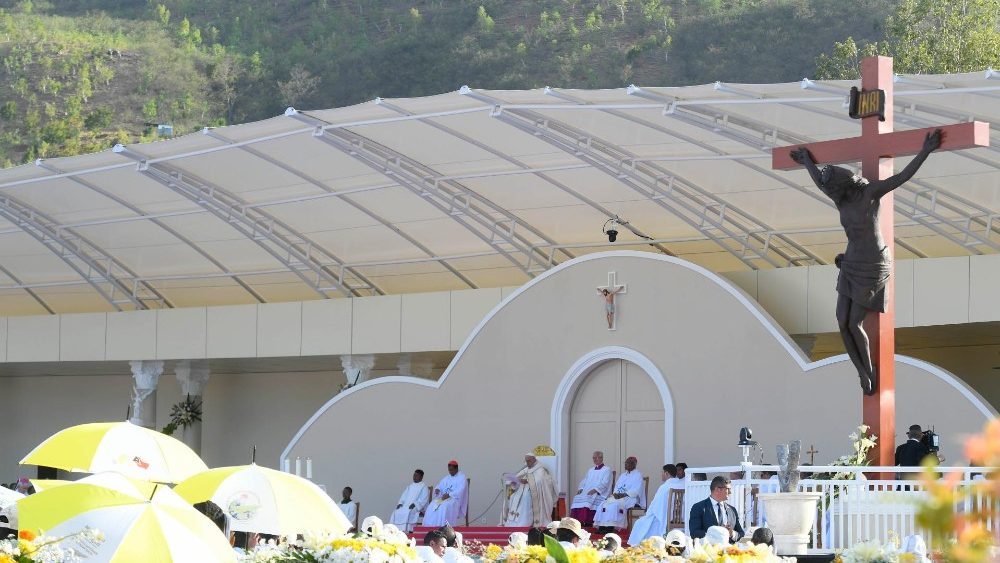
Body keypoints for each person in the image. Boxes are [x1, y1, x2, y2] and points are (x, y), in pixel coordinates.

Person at [790, 129, 943, 396]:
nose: (829, 190)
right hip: (851, 261)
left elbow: (901, 177)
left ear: (844, 184)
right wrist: (807, 162)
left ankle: (868, 371)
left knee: (854, 322)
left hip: (872, 263)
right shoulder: (841, 199)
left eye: (832, 186)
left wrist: (925, 151)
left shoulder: (870, 193)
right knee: (841, 321)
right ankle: (861, 370)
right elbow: (820, 183)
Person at [628, 464, 682, 544]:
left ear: (666, 473)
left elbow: (655, 506)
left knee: (639, 523)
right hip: (678, 518)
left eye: (662, 472)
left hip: (664, 518)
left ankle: (640, 545)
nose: (661, 474)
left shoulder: (664, 487)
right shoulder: (681, 485)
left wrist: (647, 514)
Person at [593, 456, 645, 532]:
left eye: (628, 463)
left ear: (633, 464)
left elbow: (636, 490)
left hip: (630, 497)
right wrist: (615, 494)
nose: (625, 464)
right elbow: (616, 487)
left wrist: (623, 495)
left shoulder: (638, 475)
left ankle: (610, 528)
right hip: (618, 497)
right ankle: (602, 527)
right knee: (603, 504)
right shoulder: (623, 475)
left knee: (614, 506)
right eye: (625, 463)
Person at [504, 453, 557, 527]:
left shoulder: (541, 469)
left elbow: (541, 481)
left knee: (526, 497)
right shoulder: (526, 470)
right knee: (513, 497)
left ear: (534, 459)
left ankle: (524, 521)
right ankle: (513, 522)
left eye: (529, 461)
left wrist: (527, 481)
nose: (527, 463)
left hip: (536, 491)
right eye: (526, 461)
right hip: (523, 489)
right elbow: (518, 479)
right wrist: (515, 481)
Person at [688, 476, 743, 542]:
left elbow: (741, 534)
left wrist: (732, 534)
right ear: (717, 489)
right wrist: (716, 535)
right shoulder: (699, 507)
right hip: (708, 547)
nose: (730, 492)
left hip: (730, 548)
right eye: (728, 489)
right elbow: (694, 532)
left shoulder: (732, 510)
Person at [569, 450, 613, 526]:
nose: (595, 459)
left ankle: (588, 521)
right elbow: (584, 480)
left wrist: (595, 490)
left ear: (601, 458)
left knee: (588, 499)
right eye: (593, 458)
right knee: (577, 498)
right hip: (588, 491)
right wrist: (581, 489)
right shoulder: (591, 470)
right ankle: (577, 522)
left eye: (596, 458)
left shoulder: (607, 470)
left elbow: (605, 483)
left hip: (599, 493)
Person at [423, 461, 468, 526]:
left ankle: (443, 526)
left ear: (456, 469)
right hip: (444, 498)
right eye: (449, 470)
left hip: (454, 499)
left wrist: (449, 495)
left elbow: (461, 490)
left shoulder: (462, 477)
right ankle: (430, 526)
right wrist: (437, 489)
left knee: (444, 507)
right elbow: (440, 485)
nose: (450, 472)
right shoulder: (447, 477)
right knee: (432, 505)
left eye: (451, 470)